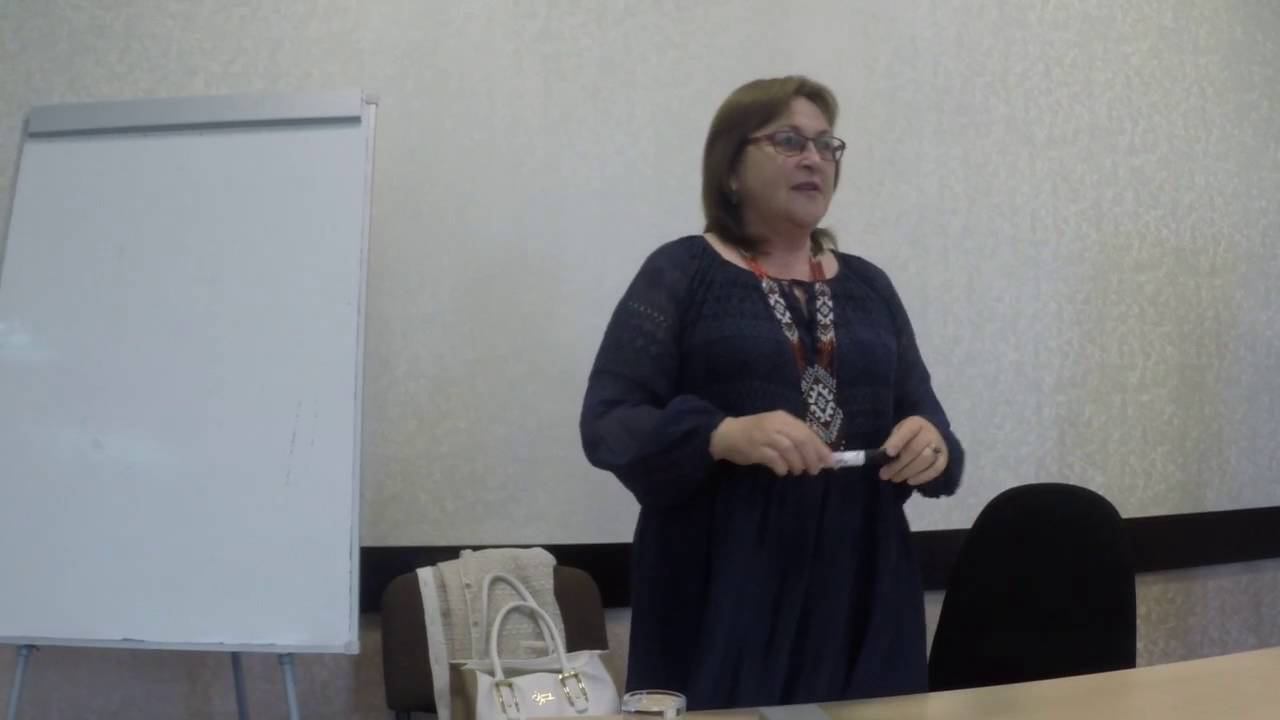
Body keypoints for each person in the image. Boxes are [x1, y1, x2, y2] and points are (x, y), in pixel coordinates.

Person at [578, 76, 964, 710]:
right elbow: (608, 421)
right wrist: (721, 435)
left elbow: (926, 417)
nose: (814, 159)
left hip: (863, 586)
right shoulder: (681, 272)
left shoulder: (870, 287)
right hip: (724, 589)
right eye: (789, 141)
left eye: (826, 144)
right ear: (731, 169)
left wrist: (933, 445)